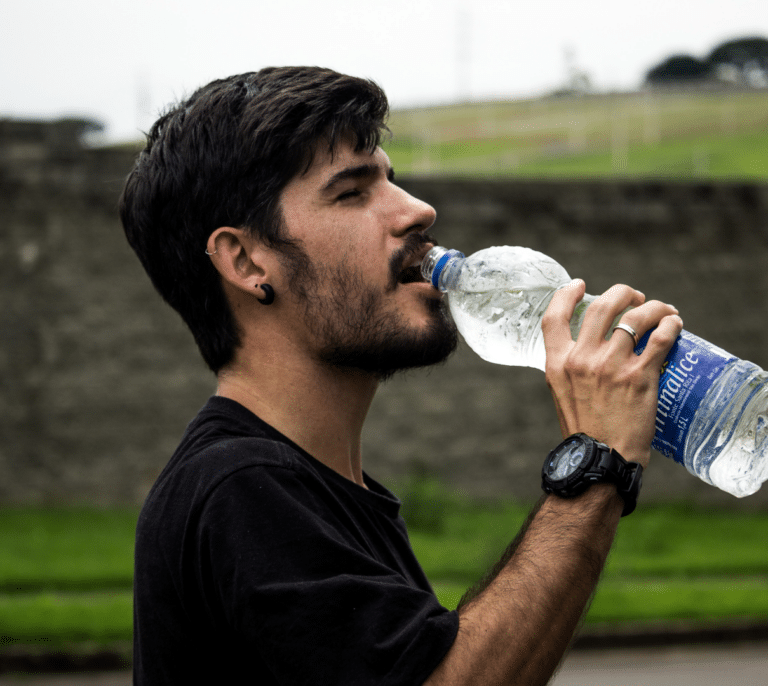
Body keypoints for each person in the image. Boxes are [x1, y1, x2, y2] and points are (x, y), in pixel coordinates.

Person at [119, 66, 682, 685]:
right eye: (351, 192)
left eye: (390, 179)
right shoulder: (242, 488)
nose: (418, 210)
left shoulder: (316, 488)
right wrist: (597, 462)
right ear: (248, 261)